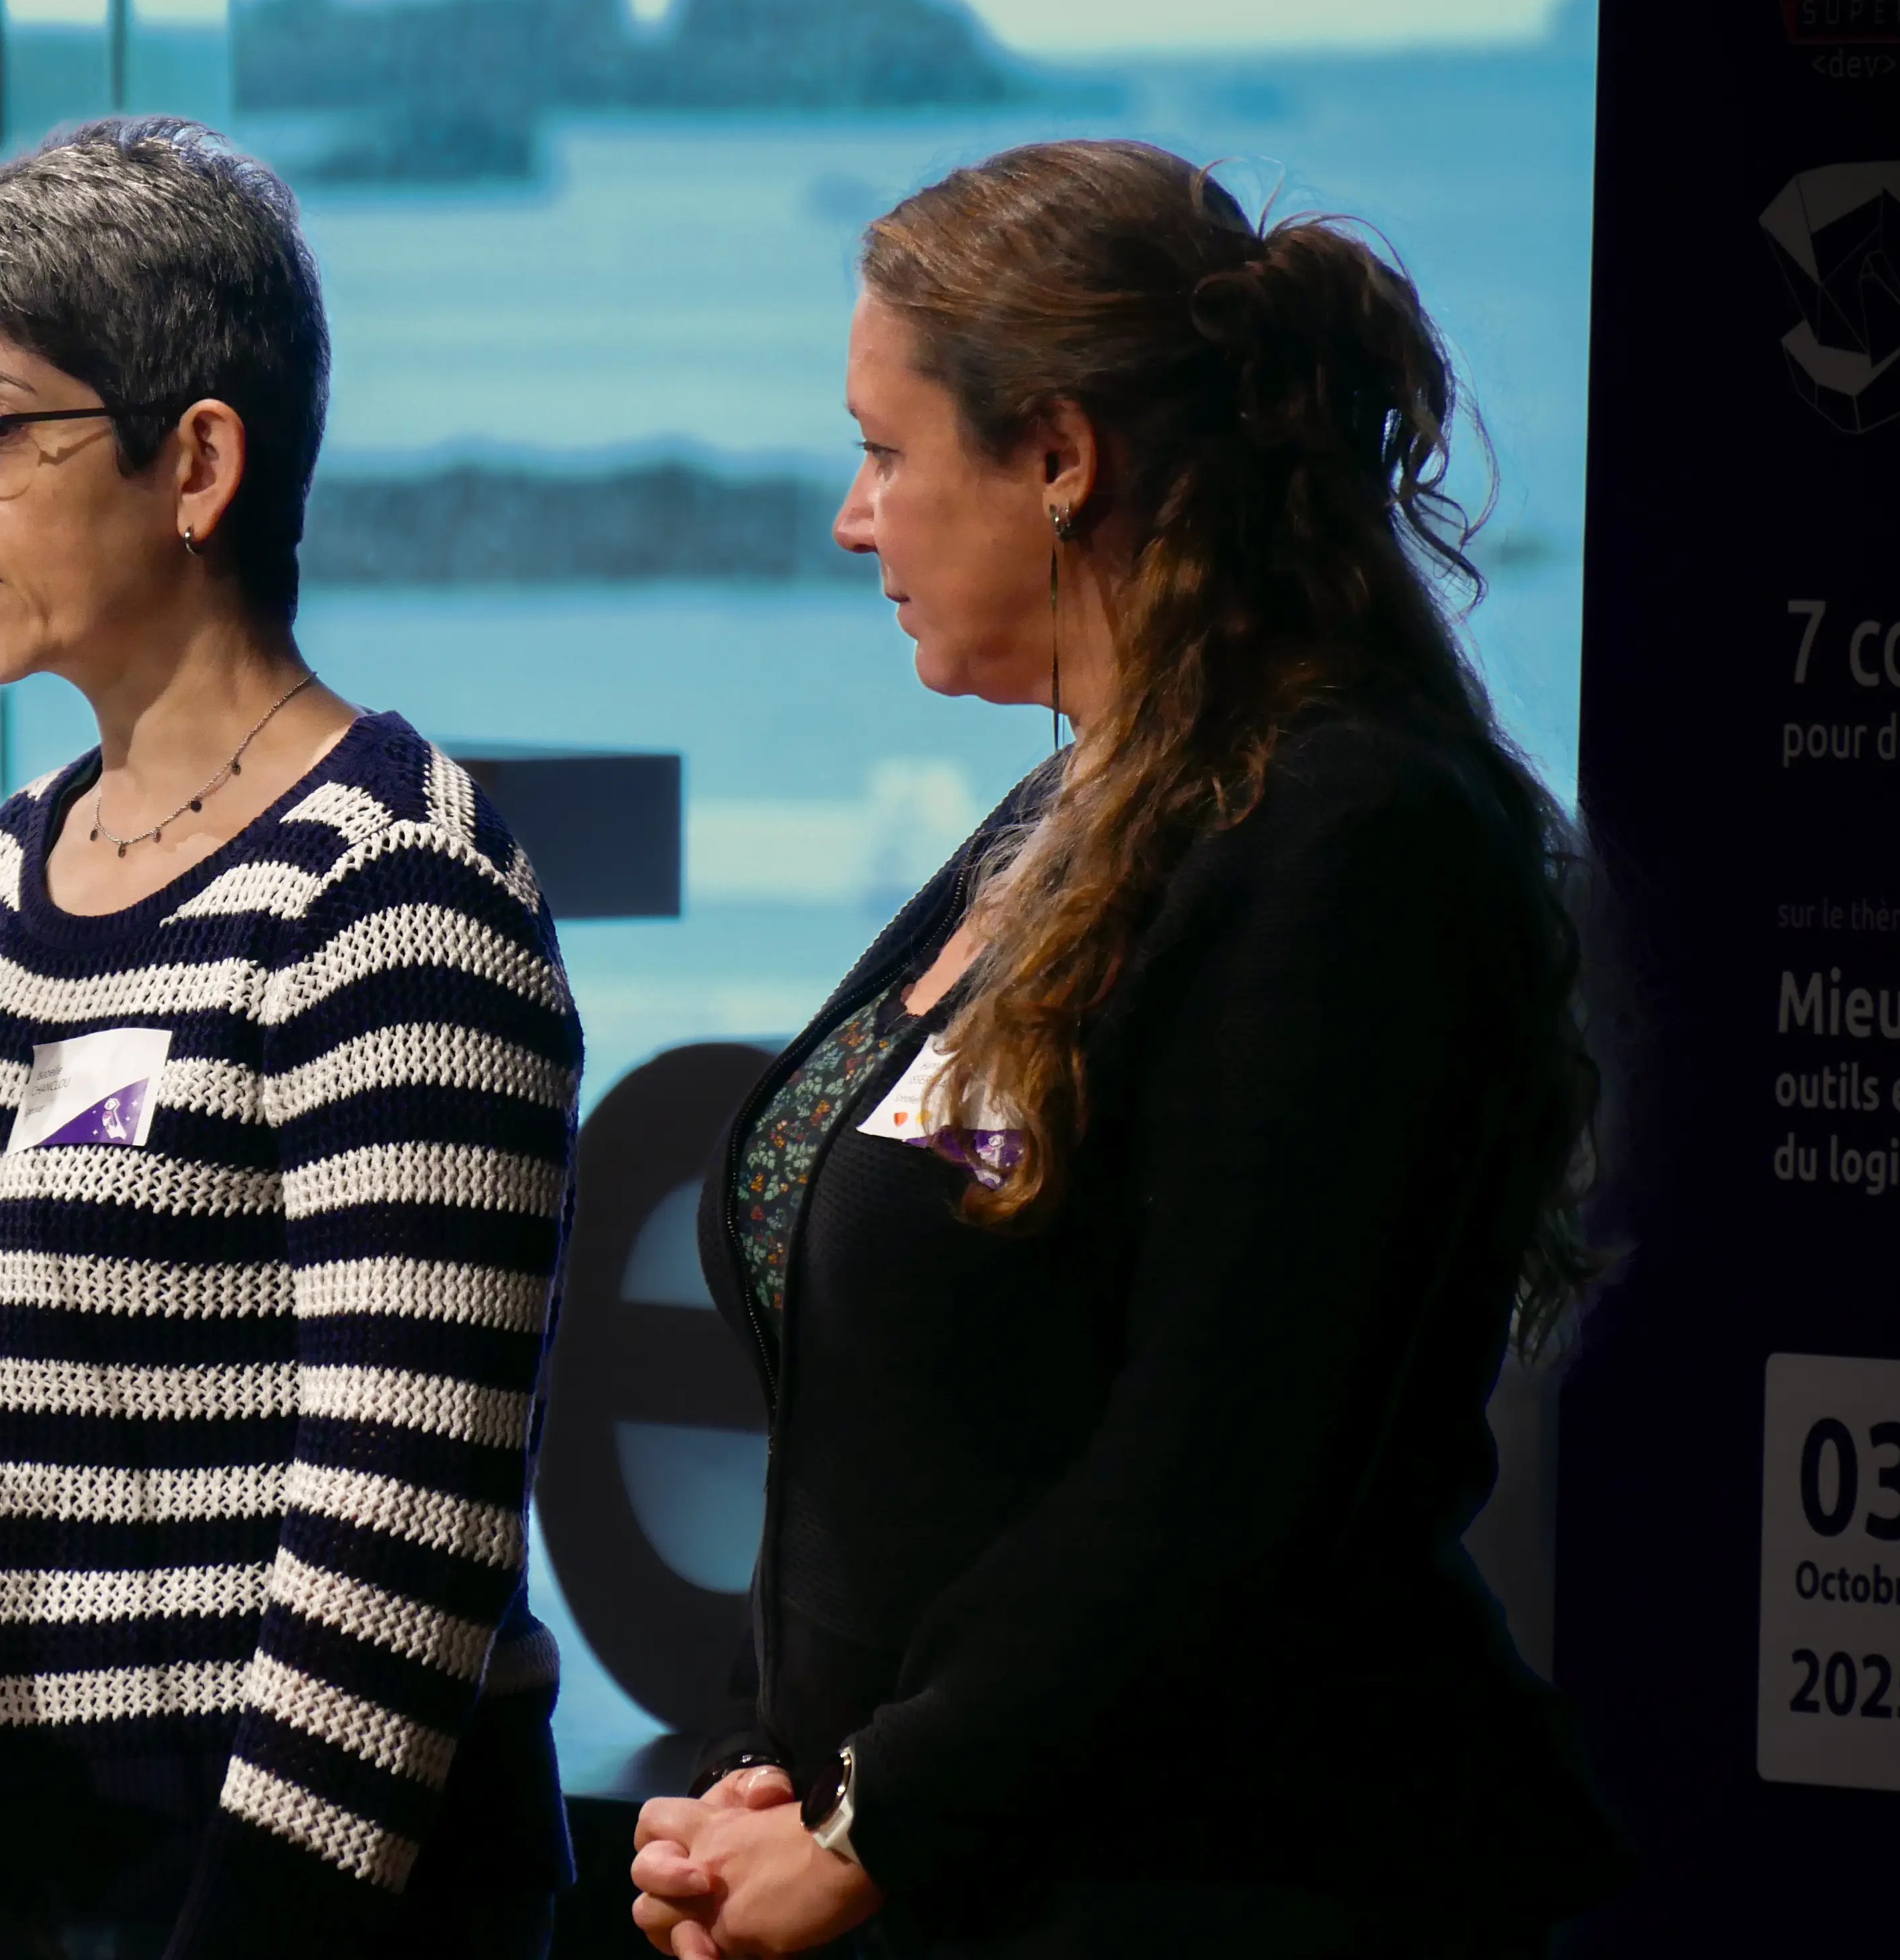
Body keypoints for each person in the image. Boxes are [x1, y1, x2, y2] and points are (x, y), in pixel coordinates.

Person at [628, 140, 1627, 1959]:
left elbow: (1224, 1474)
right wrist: (775, 1778)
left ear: (1059, 458)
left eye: (886, 451)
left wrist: (880, 1824)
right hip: (963, 1872)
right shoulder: (1076, 800)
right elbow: (896, 1451)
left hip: (1226, 1887)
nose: (855, 519)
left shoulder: (1353, 835)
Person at [0, 118, 582, 1960]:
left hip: (262, 1890)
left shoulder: (395, 885)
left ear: (196, 460)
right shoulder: (3, 872)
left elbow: (401, 1529)